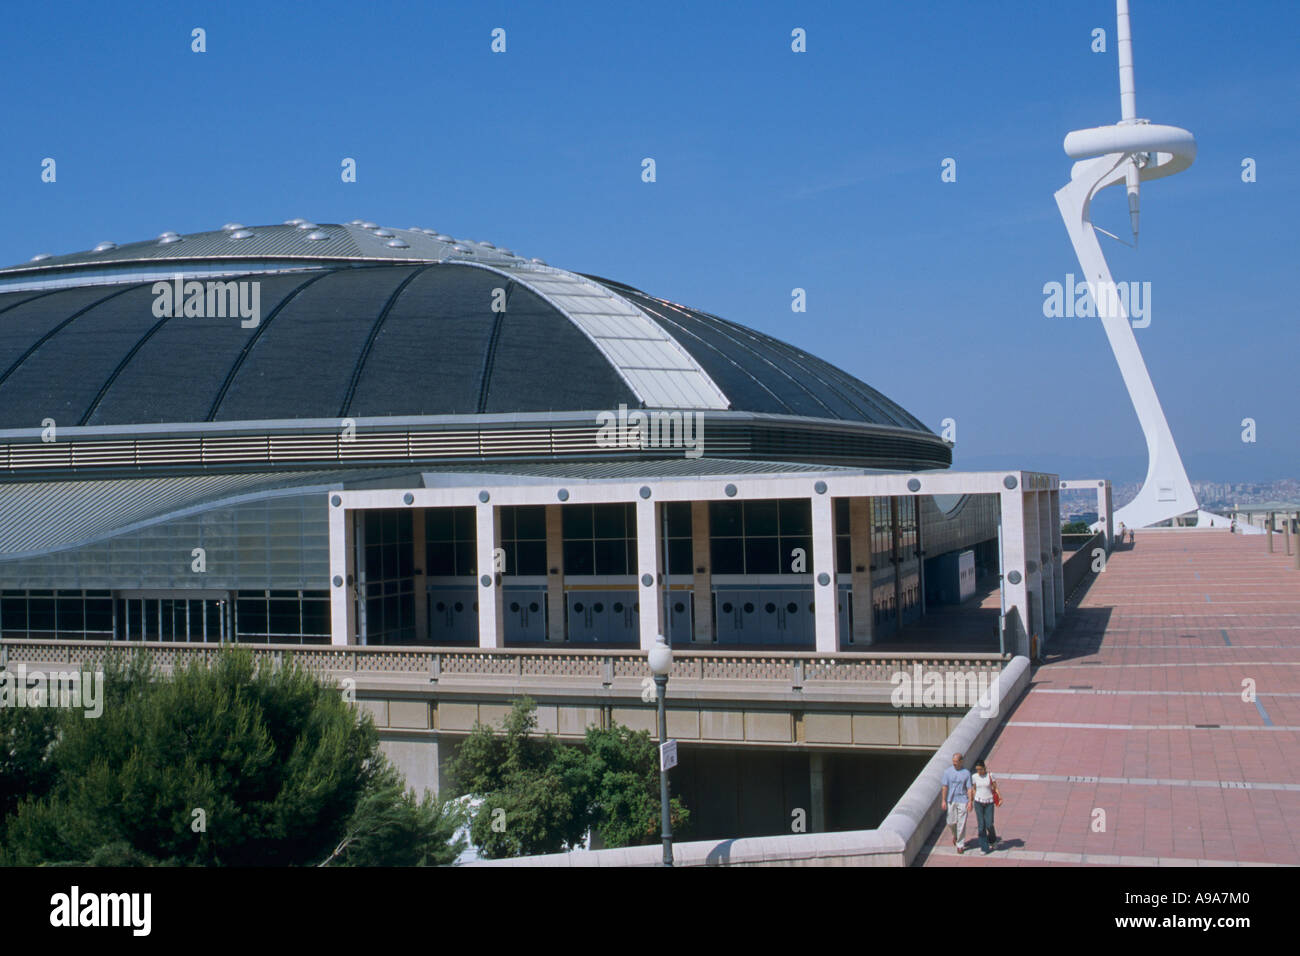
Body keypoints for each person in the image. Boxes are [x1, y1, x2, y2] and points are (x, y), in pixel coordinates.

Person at [939, 751, 972, 854]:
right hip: (951, 800)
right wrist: (943, 800)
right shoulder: (947, 772)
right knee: (950, 822)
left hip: (963, 800)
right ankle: (956, 835)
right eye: (953, 761)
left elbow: (969, 788)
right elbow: (945, 787)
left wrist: (970, 801)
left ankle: (960, 845)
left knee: (961, 823)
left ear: (961, 761)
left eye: (956, 761)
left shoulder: (966, 773)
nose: (954, 763)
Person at [970, 759, 1000, 854]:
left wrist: (1000, 798)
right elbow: (974, 788)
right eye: (977, 769)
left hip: (989, 802)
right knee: (981, 826)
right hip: (978, 802)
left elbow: (995, 788)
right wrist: (972, 799)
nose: (979, 771)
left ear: (984, 768)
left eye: (980, 769)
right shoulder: (974, 777)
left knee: (989, 824)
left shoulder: (990, 776)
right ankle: (984, 847)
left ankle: (993, 840)